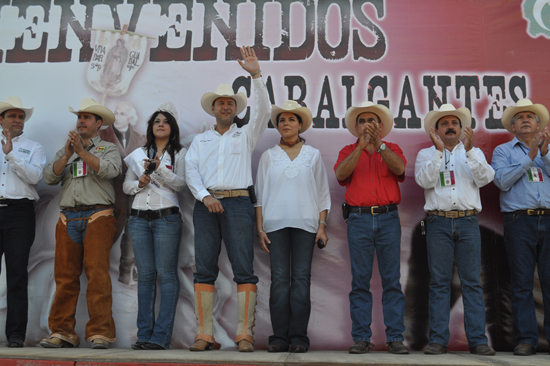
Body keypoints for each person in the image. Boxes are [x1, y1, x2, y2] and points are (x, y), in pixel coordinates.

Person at [185, 46, 270, 352]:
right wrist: (205, 196)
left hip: (238, 204)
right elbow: (190, 170)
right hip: (206, 205)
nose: (225, 106)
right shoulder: (201, 140)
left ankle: (244, 334)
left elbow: (265, 112)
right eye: (220, 102)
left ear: (236, 109)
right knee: (204, 267)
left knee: (243, 267)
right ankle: (204, 334)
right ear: (213, 108)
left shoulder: (245, 135)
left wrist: (256, 75)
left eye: (230, 103)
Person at [41, 98, 122, 349]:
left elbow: (111, 171)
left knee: (97, 275)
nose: (81, 121)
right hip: (68, 217)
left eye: (87, 118)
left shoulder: (108, 148)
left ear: (99, 123)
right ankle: (62, 331)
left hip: (98, 216)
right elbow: (49, 177)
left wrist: (82, 152)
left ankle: (100, 333)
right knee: (64, 278)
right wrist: (67, 154)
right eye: (79, 118)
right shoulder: (67, 148)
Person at [415, 104, 495, 356]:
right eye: (444, 123)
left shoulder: (474, 153)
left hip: (468, 221)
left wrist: (470, 151)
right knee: (439, 283)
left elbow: (486, 179)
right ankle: (438, 340)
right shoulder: (426, 154)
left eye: (454, 123)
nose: (450, 127)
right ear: (436, 130)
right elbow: (424, 181)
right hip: (437, 222)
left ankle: (477, 341)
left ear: (462, 129)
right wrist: (439, 153)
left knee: (472, 283)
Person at [255, 100, 330, 353]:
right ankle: (278, 337)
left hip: (306, 225)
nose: (286, 123)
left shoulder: (313, 155)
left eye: (291, 119)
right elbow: (260, 197)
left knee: (300, 280)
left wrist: (322, 226)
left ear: (300, 125)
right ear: (277, 126)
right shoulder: (268, 156)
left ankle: (299, 337)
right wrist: (260, 229)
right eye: (282, 120)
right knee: (278, 281)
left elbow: (322, 193)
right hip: (274, 225)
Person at [334, 101, 408, 355]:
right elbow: (341, 175)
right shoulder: (347, 150)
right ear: (356, 127)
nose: (367, 124)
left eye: (372, 120)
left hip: (388, 219)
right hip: (359, 220)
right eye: (363, 121)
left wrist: (380, 146)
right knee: (360, 282)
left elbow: (399, 168)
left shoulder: (393, 148)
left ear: (380, 125)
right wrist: (361, 149)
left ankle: (395, 337)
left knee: (392, 281)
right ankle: (361, 338)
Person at [123, 102, 186, 350]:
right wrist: (139, 182)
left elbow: (181, 185)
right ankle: (144, 335)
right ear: (151, 127)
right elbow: (126, 187)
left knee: (167, 275)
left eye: (165, 121)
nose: (161, 124)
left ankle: (160, 337)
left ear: (172, 127)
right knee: (146, 276)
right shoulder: (138, 153)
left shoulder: (180, 153)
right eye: (157, 121)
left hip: (167, 217)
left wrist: (160, 170)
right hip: (138, 218)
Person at [491, 99, 550, 356]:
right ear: (512, 126)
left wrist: (545, 154)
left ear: (538, 124)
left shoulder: (549, 149)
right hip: (519, 221)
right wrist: (530, 157)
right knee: (522, 283)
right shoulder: (503, 151)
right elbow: (502, 182)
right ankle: (526, 339)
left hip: (548, 218)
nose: (526, 120)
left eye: (530, 116)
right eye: (520, 117)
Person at [0, 96, 46, 347]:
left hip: (20, 212)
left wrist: (12, 156)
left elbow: (35, 177)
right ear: (1, 120)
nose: (17, 120)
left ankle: (16, 334)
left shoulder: (33, 147)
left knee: (17, 275)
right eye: (12, 116)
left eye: (21, 117)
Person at [100, 101, 146, 286]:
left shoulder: (141, 138)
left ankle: (126, 275)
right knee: (106, 233)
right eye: (115, 113)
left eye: (121, 113)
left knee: (132, 234)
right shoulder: (101, 135)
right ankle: (98, 274)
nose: (117, 116)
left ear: (131, 118)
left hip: (134, 191)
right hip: (109, 191)